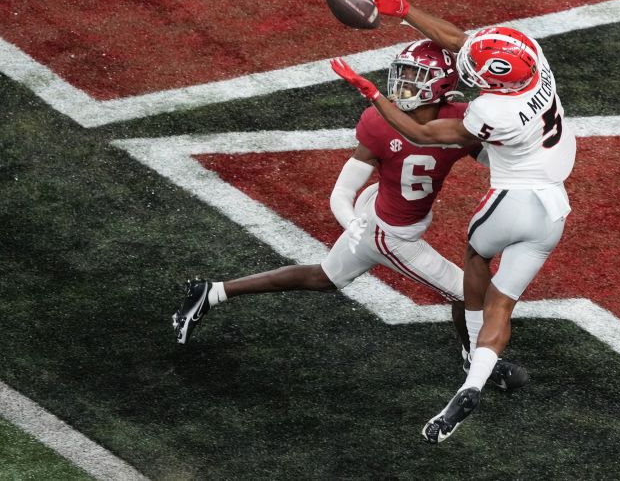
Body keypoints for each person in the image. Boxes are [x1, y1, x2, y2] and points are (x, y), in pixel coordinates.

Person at [172, 39, 529, 392]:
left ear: (441, 85)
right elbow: (343, 191)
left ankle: (211, 292)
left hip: (383, 220)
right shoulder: (380, 122)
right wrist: (355, 225)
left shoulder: (460, 120)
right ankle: (476, 359)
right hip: (388, 232)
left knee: (324, 277)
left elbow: (487, 156)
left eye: (415, 76)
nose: (403, 84)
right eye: (402, 74)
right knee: (465, 291)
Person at [331, 0, 576, 443]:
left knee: (475, 265)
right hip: (553, 212)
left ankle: (470, 344)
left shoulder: (490, 111)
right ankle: (473, 381)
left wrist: (373, 96)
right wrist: (404, 11)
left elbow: (423, 133)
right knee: (504, 304)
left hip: (512, 199)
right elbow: (464, 44)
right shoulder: (535, 65)